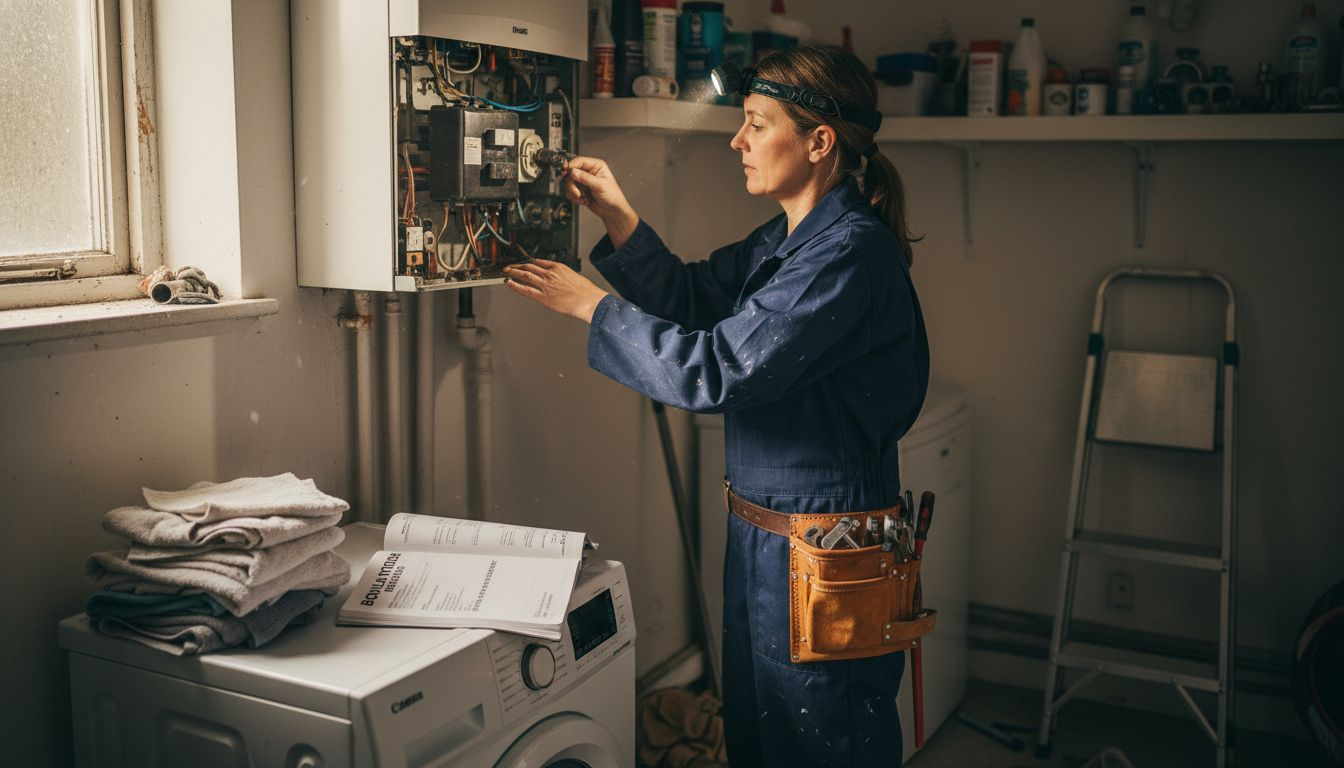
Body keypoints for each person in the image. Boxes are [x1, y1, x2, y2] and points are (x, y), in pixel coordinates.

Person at [503, 44, 929, 768]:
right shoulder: (791, 237)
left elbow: (720, 369)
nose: (738, 141)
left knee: (825, 745)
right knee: (762, 739)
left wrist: (594, 309)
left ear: (819, 142)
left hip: (827, 548)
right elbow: (700, 300)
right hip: (767, 541)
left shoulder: (848, 255)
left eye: (758, 125)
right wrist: (620, 218)